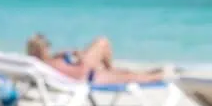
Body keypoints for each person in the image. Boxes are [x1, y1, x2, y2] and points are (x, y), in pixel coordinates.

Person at [26, 33, 167, 84]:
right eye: (46, 46)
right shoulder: (50, 64)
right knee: (131, 76)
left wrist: (68, 56)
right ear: (41, 49)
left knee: (127, 73)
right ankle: (161, 75)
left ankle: (156, 73)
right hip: (89, 76)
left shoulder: (46, 62)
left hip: (91, 74)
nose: (49, 48)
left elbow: (68, 70)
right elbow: (79, 73)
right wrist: (80, 59)